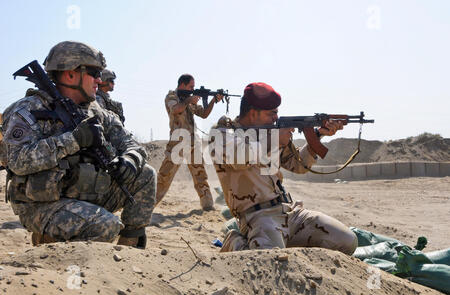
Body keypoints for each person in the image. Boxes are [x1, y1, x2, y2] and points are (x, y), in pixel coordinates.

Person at [1, 41, 156, 249]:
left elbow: (130, 143)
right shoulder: (29, 110)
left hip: (85, 193)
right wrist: (73, 141)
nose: (99, 80)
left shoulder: (96, 111)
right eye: (94, 72)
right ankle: (49, 243)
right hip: (42, 205)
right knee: (106, 226)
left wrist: (130, 159)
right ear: (70, 74)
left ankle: (127, 257)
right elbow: (17, 160)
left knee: (145, 175)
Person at [210, 82, 358, 255]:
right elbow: (239, 156)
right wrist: (274, 140)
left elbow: (298, 165)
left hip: (291, 213)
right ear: (252, 112)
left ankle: (280, 244)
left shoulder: (270, 134)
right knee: (269, 260)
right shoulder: (223, 133)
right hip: (258, 217)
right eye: (272, 113)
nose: (275, 118)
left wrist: (318, 136)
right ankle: (235, 243)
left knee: (347, 241)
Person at [156, 74, 222, 211]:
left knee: (200, 175)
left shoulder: (189, 100)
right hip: (178, 142)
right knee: (164, 176)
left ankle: (207, 204)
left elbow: (203, 114)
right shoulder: (172, 96)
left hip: (193, 142)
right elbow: (175, 109)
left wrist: (213, 101)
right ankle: (148, 204)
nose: (193, 89)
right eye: (191, 86)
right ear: (182, 85)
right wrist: (188, 101)